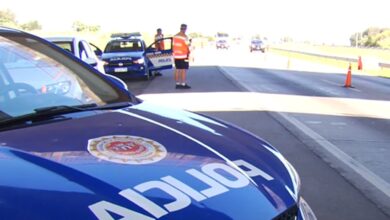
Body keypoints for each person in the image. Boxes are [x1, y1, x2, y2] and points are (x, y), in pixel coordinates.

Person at [173, 24, 191, 89]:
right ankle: (183, 84)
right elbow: (188, 45)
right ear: (185, 29)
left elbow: (174, 46)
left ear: (180, 28)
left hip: (176, 56)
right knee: (184, 70)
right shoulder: (184, 36)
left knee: (177, 69)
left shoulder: (175, 36)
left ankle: (177, 84)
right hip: (184, 56)